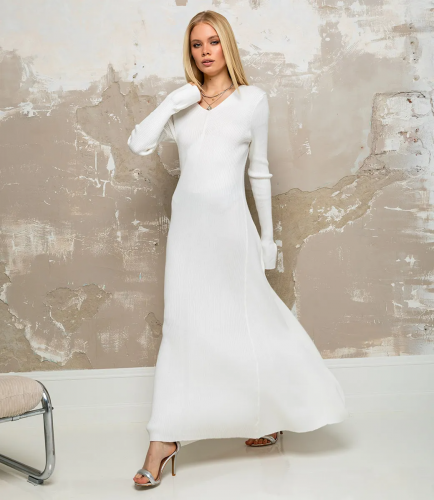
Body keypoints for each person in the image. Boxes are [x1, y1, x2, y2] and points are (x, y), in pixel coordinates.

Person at [128, 10, 349, 488]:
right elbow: (138, 143)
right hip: (187, 232)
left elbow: (259, 173)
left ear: (226, 44)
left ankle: (265, 413)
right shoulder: (184, 104)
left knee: (247, 320)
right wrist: (174, 99)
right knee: (182, 326)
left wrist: (268, 239)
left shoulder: (252, 100)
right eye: (196, 45)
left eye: (213, 41)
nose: (205, 51)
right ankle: (163, 439)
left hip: (232, 229)